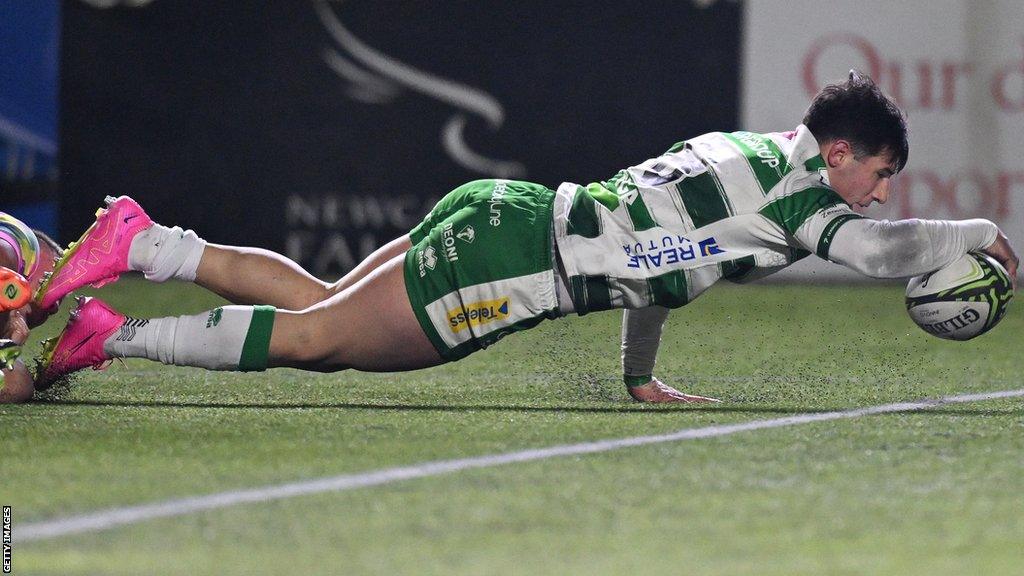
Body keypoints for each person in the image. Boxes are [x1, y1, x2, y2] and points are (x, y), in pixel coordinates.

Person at [30, 71, 1019, 404]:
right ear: (842, 152)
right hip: (515, 267)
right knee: (316, 345)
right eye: (881, 175)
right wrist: (975, 230)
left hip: (504, 213)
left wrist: (636, 378)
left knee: (316, 303)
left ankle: (153, 244)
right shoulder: (798, 202)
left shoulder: (740, 147)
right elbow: (882, 257)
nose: (884, 197)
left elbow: (653, 261)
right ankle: (108, 335)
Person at [0, 212, 62, 402]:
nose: (56, 306)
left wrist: (8, 348)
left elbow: (13, 387)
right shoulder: (18, 241)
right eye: (53, 279)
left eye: (62, 296)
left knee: (19, 383)